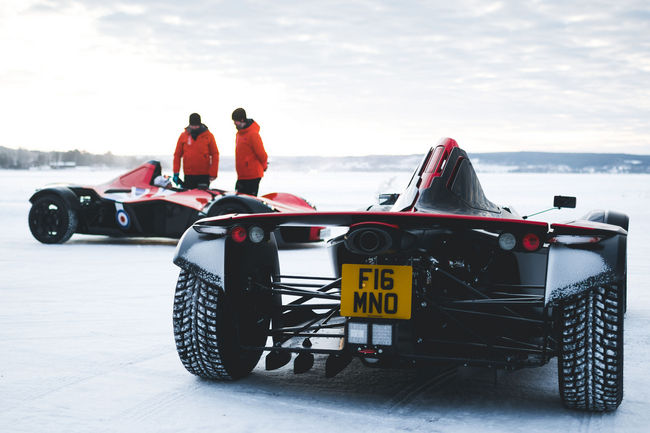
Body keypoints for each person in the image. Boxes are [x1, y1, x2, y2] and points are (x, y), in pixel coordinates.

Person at [173, 113, 219, 189]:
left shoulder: (208, 136)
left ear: (200, 124)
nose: (194, 127)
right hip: (189, 175)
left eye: (196, 125)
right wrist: (176, 172)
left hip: (204, 175)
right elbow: (177, 155)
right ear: (189, 124)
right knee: (188, 198)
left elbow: (215, 154)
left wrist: (213, 172)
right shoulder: (183, 136)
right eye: (192, 125)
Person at [231, 107, 268, 196]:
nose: (234, 123)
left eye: (236, 121)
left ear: (242, 120)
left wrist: (264, 166)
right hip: (242, 175)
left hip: (252, 176)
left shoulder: (253, 134)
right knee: (240, 201)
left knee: (249, 202)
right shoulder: (239, 135)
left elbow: (262, 154)